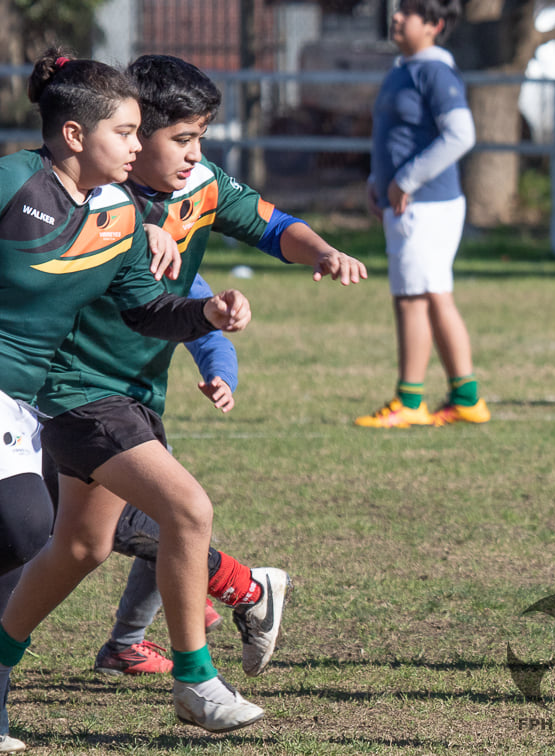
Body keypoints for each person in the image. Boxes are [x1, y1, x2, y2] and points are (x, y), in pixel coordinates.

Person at [30, 51, 367, 692]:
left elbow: (273, 228)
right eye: (180, 139)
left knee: (85, 536)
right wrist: (141, 224)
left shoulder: (203, 185)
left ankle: (161, 642)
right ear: (130, 131)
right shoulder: (87, 184)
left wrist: (321, 251)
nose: (194, 154)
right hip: (59, 387)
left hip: (130, 393)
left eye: (200, 138)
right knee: (76, 530)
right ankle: (199, 649)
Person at [0, 50, 255, 752]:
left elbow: (147, 307)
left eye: (146, 132)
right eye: (128, 132)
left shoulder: (116, 209)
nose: (139, 146)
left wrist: (208, 317)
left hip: (42, 401)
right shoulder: (13, 180)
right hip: (67, 396)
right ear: (77, 134)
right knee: (178, 510)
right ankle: (196, 679)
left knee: (68, 544)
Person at [87, 274, 287, 679]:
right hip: (70, 411)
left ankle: (234, 589)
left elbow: (210, 334)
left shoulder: (174, 260)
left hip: (123, 423)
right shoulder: (79, 232)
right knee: (148, 526)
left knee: (156, 522)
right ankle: (227, 586)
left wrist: (221, 376)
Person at [354, 0, 489, 429]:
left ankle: (410, 402)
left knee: (414, 298)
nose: (396, 16)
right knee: (429, 295)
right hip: (412, 204)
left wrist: (407, 179)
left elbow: (462, 134)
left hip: (427, 205)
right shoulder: (402, 68)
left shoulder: (434, 71)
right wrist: (378, 179)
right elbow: (394, 136)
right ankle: (466, 398)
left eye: (409, 12)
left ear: (434, 25)